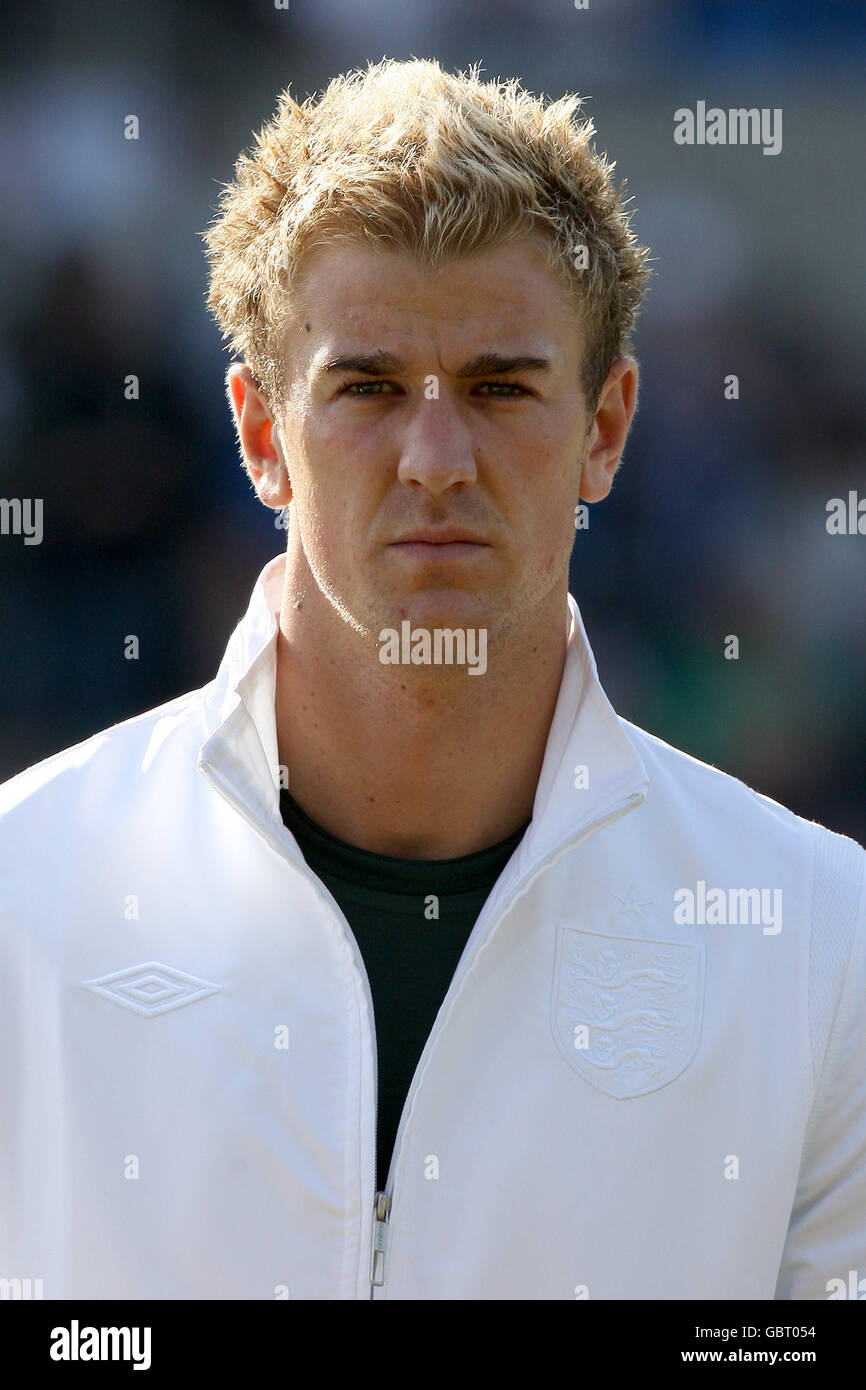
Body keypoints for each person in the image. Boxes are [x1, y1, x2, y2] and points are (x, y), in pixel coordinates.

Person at [1, 57, 863, 1301]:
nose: (435, 458)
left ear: (605, 429)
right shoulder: (24, 896)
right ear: (258, 435)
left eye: (499, 387)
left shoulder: (817, 942)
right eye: (364, 387)